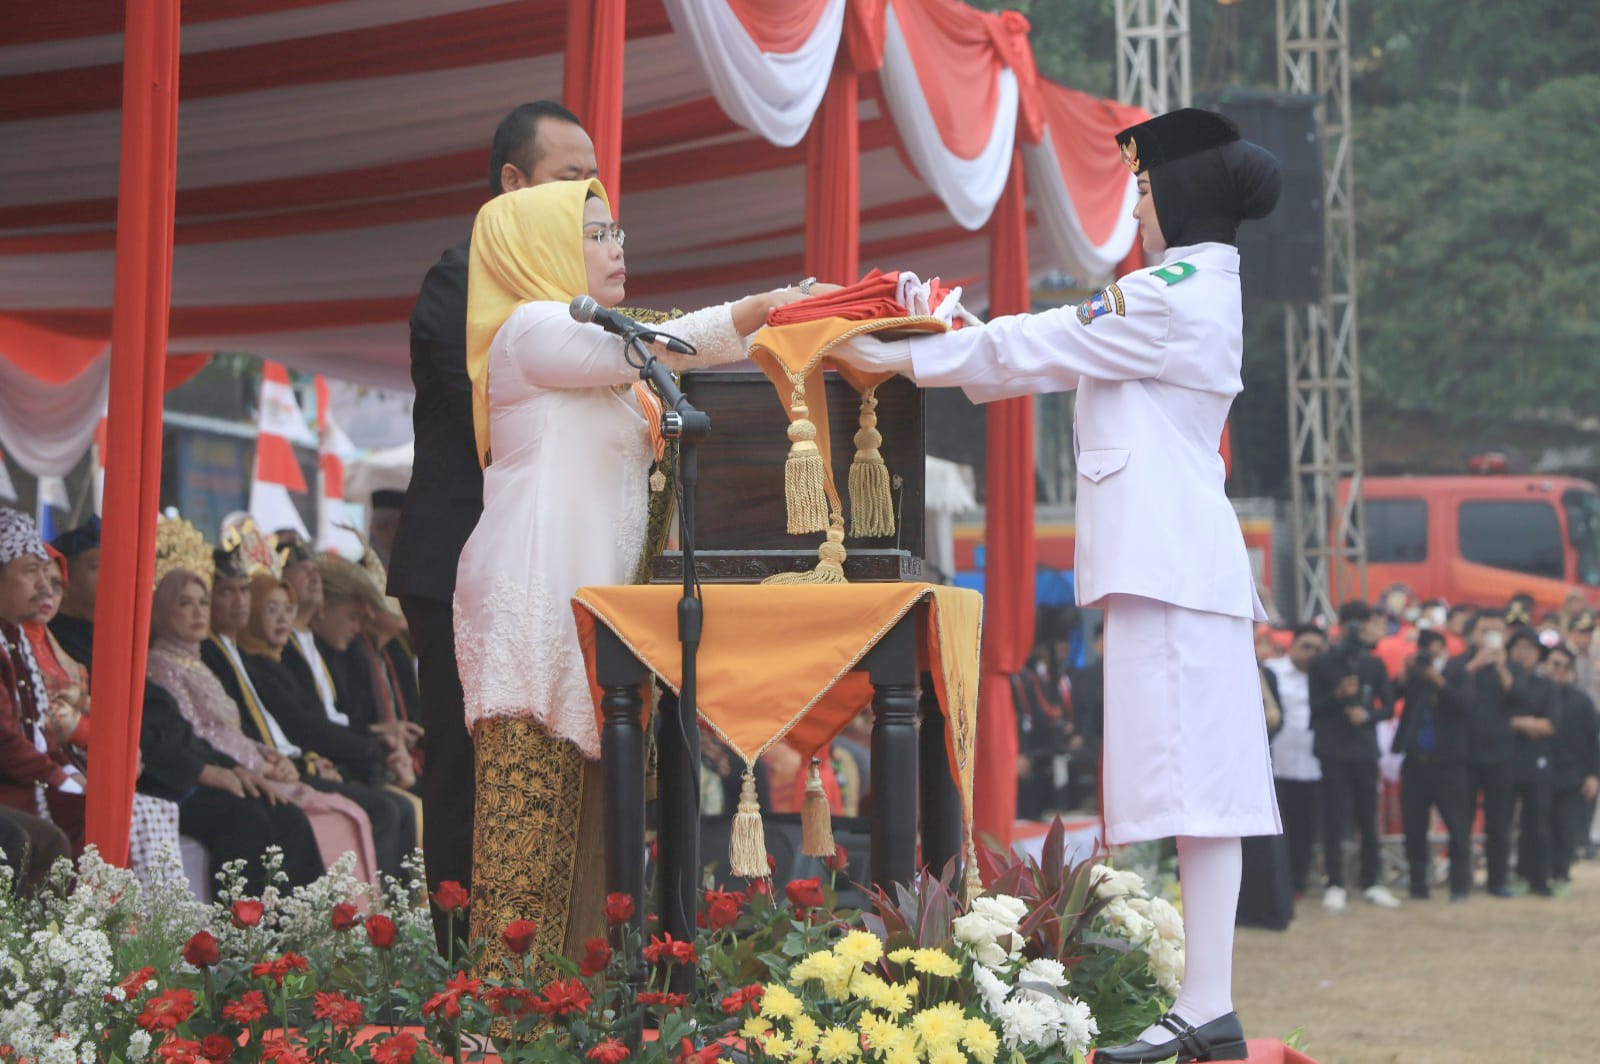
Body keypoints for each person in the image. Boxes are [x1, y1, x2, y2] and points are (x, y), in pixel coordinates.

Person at [831, 107, 1282, 1063]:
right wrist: (947, 329)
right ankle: (1209, 1004)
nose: (1141, 212)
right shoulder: (1186, 291)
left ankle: (1208, 1007)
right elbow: (1035, 344)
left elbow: (1034, 346)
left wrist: (904, 356)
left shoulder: (1166, 295)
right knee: (1201, 791)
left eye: (1149, 191)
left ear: (1186, 197)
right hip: (1177, 566)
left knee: (1195, 790)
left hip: (1171, 568)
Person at [453, 177, 823, 980]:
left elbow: (656, 342)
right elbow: (663, 342)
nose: (616, 248)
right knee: (527, 846)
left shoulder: (596, 342)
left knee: (589, 847)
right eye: (594, 234)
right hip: (532, 604)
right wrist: (765, 306)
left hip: (593, 615)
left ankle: (566, 1019)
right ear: (540, 248)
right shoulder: (530, 329)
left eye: (617, 231)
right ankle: (500, 1024)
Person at [388, 101, 601, 927]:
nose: (591, 195)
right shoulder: (461, 277)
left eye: (595, 178)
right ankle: (456, 979)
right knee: (466, 778)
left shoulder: (574, 295)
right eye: (568, 177)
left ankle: (543, 962)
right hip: (460, 567)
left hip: (545, 570)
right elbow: (493, 411)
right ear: (514, 184)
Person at [147, 562, 380, 883]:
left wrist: (270, 758)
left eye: (202, 602)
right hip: (203, 774)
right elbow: (195, 734)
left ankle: (321, 923)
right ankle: (271, 925)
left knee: (345, 809)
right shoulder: (161, 665)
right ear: (161, 611)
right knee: (285, 816)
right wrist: (256, 766)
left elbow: (232, 731)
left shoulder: (197, 661)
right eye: (185, 603)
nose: (198, 612)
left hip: (244, 764)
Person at [202, 546, 413, 880]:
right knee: (383, 809)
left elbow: (310, 722)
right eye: (271, 609)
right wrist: (311, 762)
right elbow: (298, 727)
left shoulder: (262, 657)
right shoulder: (235, 655)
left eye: (244, 591)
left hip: (296, 761)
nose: (240, 602)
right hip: (273, 767)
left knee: (401, 805)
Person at [25, 542, 182, 878]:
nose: (46, 592)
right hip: (41, 765)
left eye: (55, 584)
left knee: (151, 809)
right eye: (35, 579)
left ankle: (152, 923)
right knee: (107, 808)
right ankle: (100, 917)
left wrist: (120, 744)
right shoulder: (15, 639)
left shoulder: (48, 639)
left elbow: (82, 701)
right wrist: (110, 745)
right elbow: (49, 712)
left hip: (73, 759)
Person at [0, 509, 85, 850]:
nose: (43, 585)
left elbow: (40, 733)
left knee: (105, 804)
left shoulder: (16, 638)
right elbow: (5, 740)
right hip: (10, 787)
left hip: (26, 782)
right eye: (30, 572)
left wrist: (69, 771)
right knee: (74, 819)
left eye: (46, 574)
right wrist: (59, 777)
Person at [1308, 601, 1399, 911]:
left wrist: (1368, 715)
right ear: (1344, 625)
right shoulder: (1322, 663)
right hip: (1332, 748)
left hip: (1363, 748)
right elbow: (1315, 710)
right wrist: (1338, 696)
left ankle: (1371, 882)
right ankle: (1335, 882)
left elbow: (1388, 704)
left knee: (1367, 818)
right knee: (1334, 818)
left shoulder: (1374, 664)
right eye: (1357, 624)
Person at [1390, 628, 1471, 900]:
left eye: (1435, 647)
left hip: (1449, 764)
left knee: (1457, 826)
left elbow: (1464, 705)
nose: (1430, 654)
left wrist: (1438, 680)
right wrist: (1404, 675)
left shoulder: (1457, 673)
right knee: (1413, 826)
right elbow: (1389, 698)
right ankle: (1417, 885)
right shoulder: (1414, 678)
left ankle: (1459, 886)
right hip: (1415, 762)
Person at [1445, 609, 1521, 897]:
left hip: (1500, 755)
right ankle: (1459, 885)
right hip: (1463, 756)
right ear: (1472, 634)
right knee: (1460, 824)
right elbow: (1446, 693)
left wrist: (1501, 668)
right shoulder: (1458, 664)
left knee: (1499, 823)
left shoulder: (1511, 666)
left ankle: (1498, 880)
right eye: (1485, 630)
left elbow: (1519, 698)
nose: (1491, 637)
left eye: (1497, 631)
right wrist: (1475, 664)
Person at [1265, 624, 1325, 895]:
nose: (1311, 653)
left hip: (1312, 765)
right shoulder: (1272, 671)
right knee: (1277, 831)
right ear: (1292, 645)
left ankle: (1298, 884)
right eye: (1306, 646)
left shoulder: (1326, 676)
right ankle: (1276, 884)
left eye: (1317, 649)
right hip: (1275, 764)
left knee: (1305, 829)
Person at [1540, 643, 1600, 886]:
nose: (1560, 671)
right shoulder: (1534, 694)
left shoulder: (1581, 701)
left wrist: (1593, 775)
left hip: (1572, 773)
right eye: (1555, 665)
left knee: (1566, 827)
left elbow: (1593, 740)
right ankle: (1536, 873)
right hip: (1538, 772)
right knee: (1537, 826)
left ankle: (1561, 873)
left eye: (1565, 667)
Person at [1506, 626, 1555, 896]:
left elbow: (1551, 724)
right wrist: (1520, 723)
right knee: (1501, 821)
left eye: (1529, 649)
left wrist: (1521, 723)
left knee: (1538, 822)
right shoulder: (1500, 681)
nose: (1523, 654)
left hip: (1537, 761)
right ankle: (1502, 877)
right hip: (1504, 759)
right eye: (1518, 648)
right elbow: (1495, 718)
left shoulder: (1546, 686)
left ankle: (1538, 878)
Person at [47, 517, 100, 667]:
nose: (109, 575)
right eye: (96, 567)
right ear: (64, 578)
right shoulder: (57, 639)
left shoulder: (106, 633)